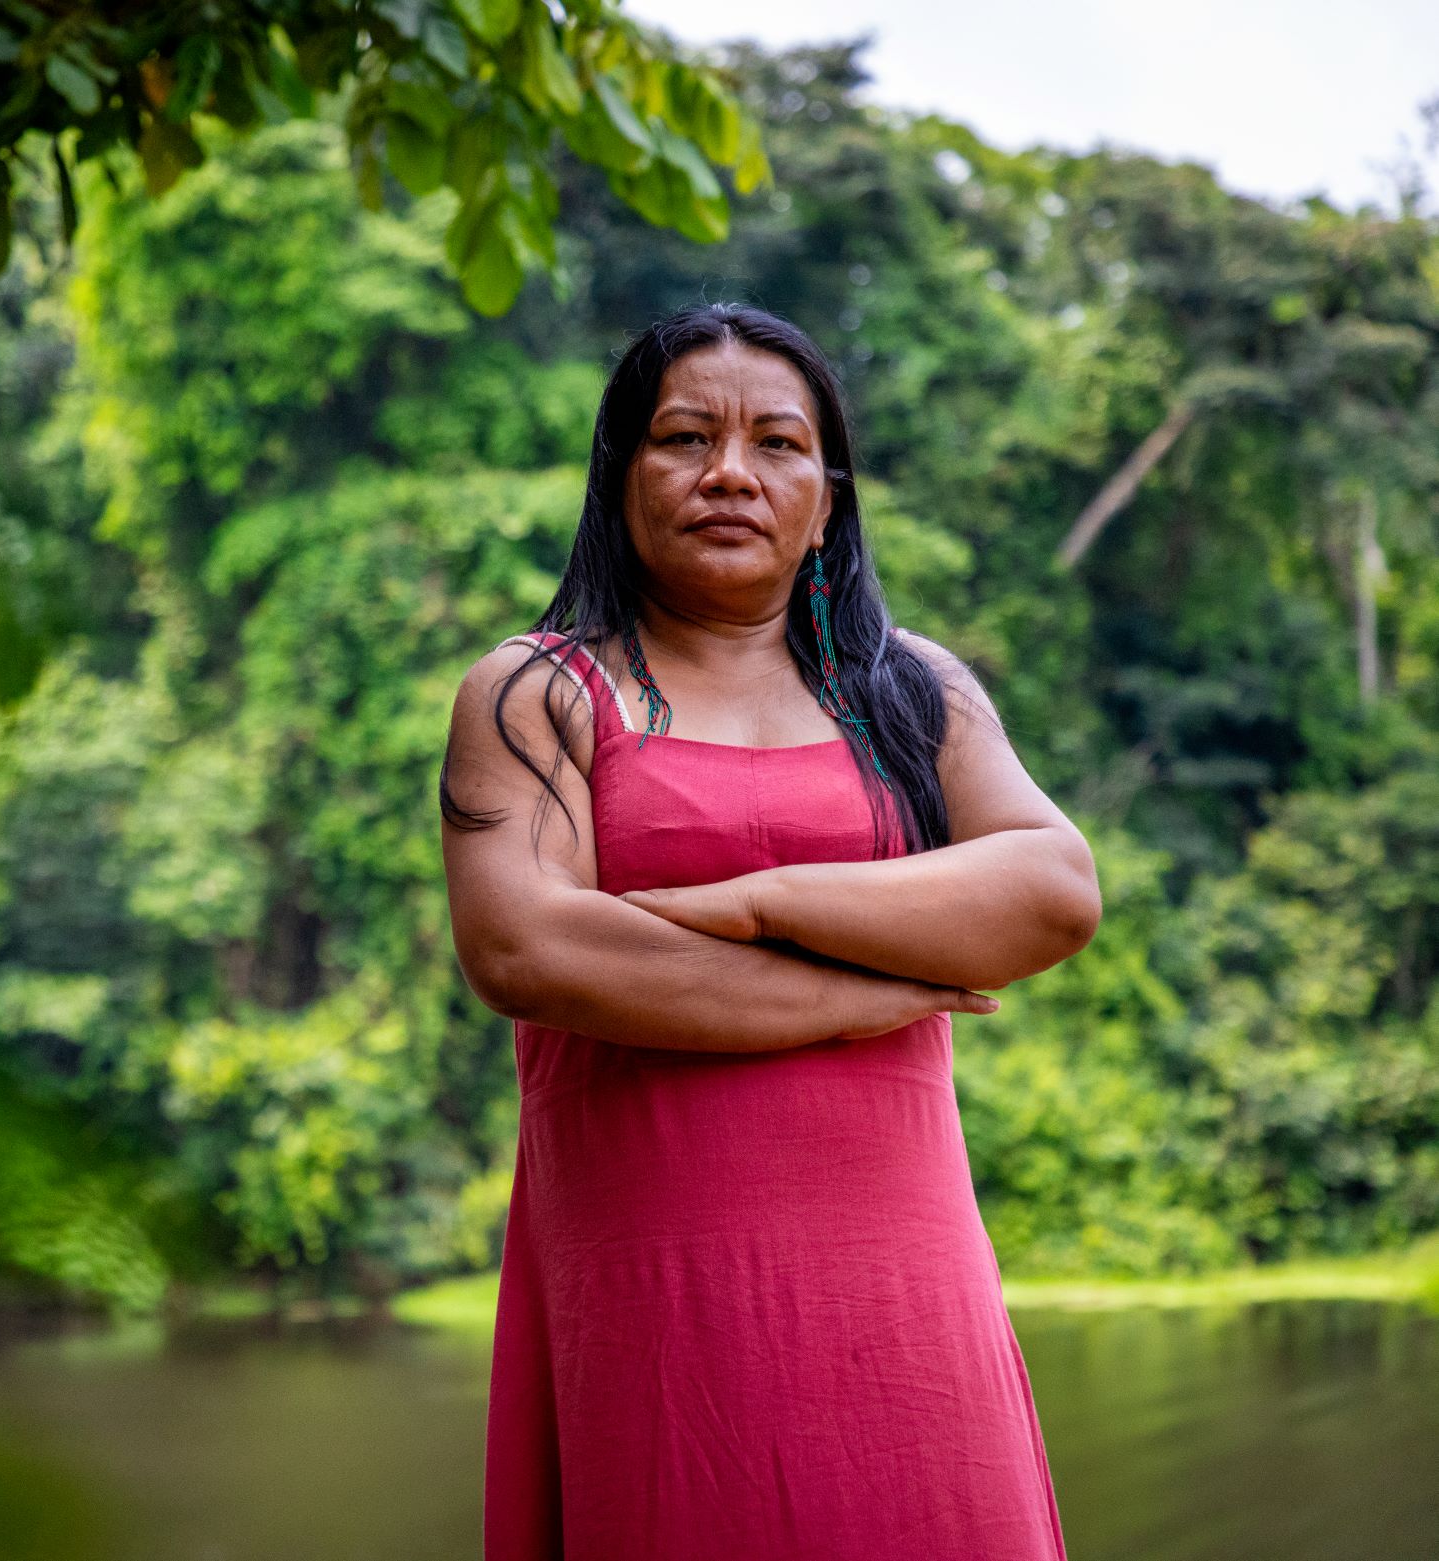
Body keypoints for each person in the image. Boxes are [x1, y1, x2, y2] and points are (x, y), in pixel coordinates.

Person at [438, 302, 1098, 1560]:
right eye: (686, 436)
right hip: (657, 1284)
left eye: (779, 444)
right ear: (619, 472)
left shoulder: (914, 692)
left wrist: (762, 900)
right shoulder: (538, 693)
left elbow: (1052, 890)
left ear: (830, 495)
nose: (732, 472)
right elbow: (528, 950)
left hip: (903, 1280)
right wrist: (869, 989)